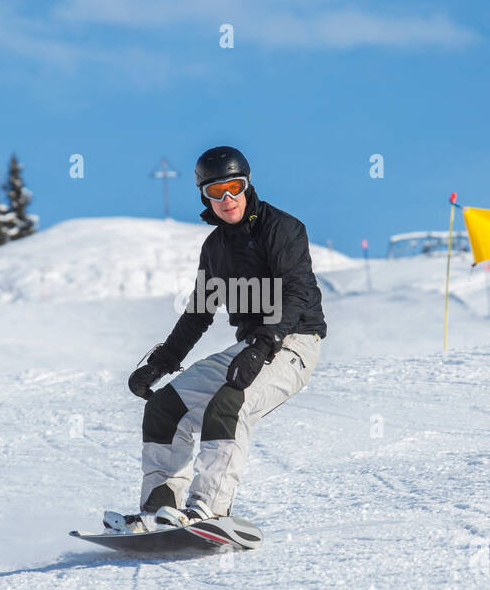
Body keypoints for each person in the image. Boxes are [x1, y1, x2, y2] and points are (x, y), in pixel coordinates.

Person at [105, 145, 327, 532]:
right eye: (215, 192)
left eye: (234, 188)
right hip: (250, 347)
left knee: (229, 403)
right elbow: (198, 314)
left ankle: (208, 508)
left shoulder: (281, 228)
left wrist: (262, 346)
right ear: (204, 195)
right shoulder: (215, 248)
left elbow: (297, 293)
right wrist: (160, 364)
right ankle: (159, 507)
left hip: (293, 341)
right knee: (164, 409)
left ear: (247, 185)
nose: (227, 199)